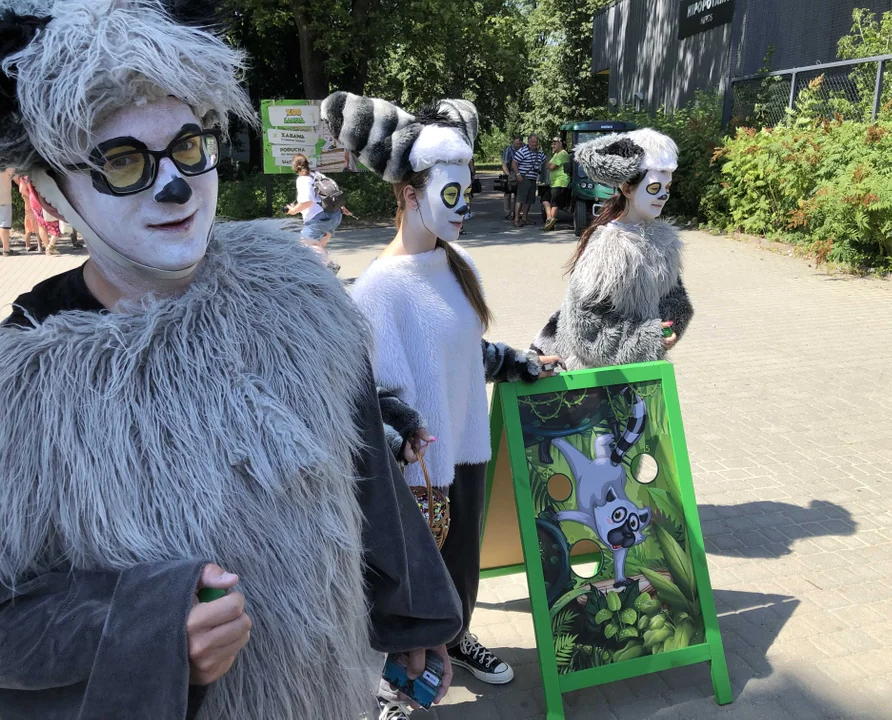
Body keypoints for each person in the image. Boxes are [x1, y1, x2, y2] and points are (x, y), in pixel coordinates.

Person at [0, 3, 463, 719]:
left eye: (188, 148)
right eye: (121, 161)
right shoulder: (19, 383)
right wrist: (146, 629)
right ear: (51, 189)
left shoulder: (300, 296)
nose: (175, 186)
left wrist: (415, 614)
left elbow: (363, 463)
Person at [322, 91, 561, 720]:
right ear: (408, 194)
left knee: (462, 575)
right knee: (416, 585)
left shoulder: (460, 266)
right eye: (449, 194)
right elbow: (365, 392)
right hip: (419, 471)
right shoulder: (378, 288)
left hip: (468, 446)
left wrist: (520, 362)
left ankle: (455, 639)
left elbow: (466, 351)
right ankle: (401, 680)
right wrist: (399, 431)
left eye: (466, 190)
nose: (461, 208)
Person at [531, 128, 694, 368]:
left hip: (640, 372)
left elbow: (676, 300)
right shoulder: (608, 249)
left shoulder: (664, 242)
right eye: (653, 188)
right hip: (594, 381)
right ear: (627, 188)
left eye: (666, 189)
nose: (662, 196)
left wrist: (667, 329)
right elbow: (586, 331)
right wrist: (647, 339)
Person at [285, 152, 352, 273]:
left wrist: (293, 210)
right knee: (318, 244)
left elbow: (307, 202)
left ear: (294, 167)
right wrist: (342, 207)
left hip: (320, 218)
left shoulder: (303, 180)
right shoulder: (317, 175)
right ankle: (320, 270)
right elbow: (331, 193)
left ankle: (330, 267)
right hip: (335, 215)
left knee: (306, 242)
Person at [511, 133, 546, 228]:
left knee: (529, 200)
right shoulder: (522, 151)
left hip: (533, 179)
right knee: (520, 199)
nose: (534, 143)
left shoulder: (540, 152)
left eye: (536, 142)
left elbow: (545, 162)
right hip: (524, 178)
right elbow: (514, 163)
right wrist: (518, 174)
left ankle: (525, 218)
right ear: (529, 141)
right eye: (532, 141)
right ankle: (516, 219)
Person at [542, 136, 570, 231]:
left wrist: (551, 165)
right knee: (545, 199)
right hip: (554, 183)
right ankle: (550, 219)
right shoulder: (556, 154)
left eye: (555, 144)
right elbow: (548, 165)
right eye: (552, 144)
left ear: (560, 144)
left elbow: (551, 167)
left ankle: (550, 224)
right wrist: (550, 165)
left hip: (560, 182)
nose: (552, 145)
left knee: (554, 203)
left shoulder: (562, 154)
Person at [13, 173, 39, 251]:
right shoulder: (27, 176)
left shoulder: (22, 176)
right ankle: (38, 244)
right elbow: (22, 190)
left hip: (29, 200)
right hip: (30, 200)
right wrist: (32, 196)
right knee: (36, 221)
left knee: (30, 222)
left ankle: (29, 245)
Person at [500, 134, 522, 220]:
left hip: (520, 173)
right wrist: (508, 175)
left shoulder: (523, 149)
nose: (518, 145)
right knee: (508, 194)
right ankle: (507, 213)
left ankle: (516, 213)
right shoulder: (508, 150)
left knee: (518, 194)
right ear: (513, 142)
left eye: (520, 143)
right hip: (510, 174)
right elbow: (504, 164)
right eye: (517, 143)